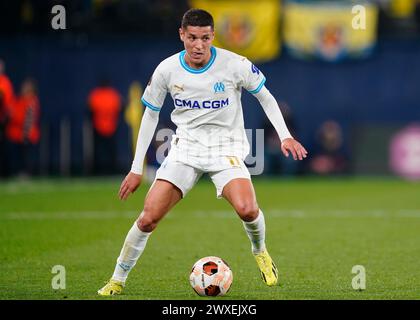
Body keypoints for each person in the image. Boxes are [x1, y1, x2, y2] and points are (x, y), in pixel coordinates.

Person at [98, 8, 307, 296]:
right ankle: (117, 280)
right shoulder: (167, 70)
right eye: (192, 38)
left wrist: (285, 136)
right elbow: (150, 116)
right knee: (148, 217)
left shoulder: (234, 64)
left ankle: (260, 251)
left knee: (248, 210)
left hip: (226, 149)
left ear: (213, 37)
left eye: (205, 38)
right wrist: (136, 168)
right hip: (185, 150)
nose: (199, 45)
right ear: (181, 34)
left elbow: (265, 97)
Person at [5, 77, 40, 176]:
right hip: (16, 135)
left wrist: (25, 137)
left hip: (25, 136)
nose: (24, 88)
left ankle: (25, 173)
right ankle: (16, 172)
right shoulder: (19, 100)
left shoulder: (32, 101)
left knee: (25, 157)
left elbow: (27, 120)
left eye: (27, 87)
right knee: (15, 157)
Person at [87, 78, 122, 175]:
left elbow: (90, 110)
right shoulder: (113, 95)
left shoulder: (95, 94)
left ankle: (96, 171)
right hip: (111, 127)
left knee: (98, 151)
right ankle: (112, 170)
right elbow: (119, 109)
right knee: (111, 151)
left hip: (98, 127)